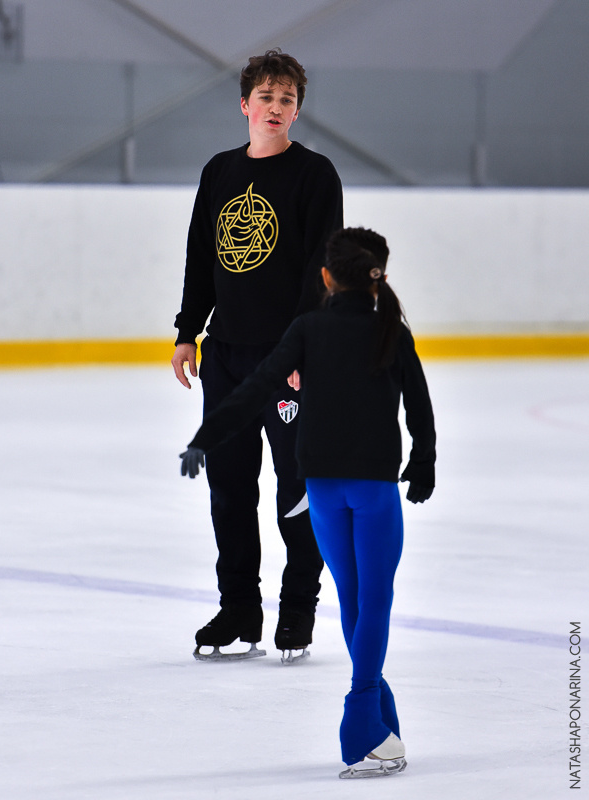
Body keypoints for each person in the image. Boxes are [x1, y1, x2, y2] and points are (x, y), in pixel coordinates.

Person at [179, 227, 436, 778]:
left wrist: (207, 435)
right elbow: (419, 405)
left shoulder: (307, 329)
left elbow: (253, 391)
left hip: (319, 486)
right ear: (379, 276)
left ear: (325, 277)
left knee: (353, 598)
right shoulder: (392, 330)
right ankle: (364, 717)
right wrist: (424, 461)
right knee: (376, 600)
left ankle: (382, 722)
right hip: (371, 487)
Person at [171, 49, 344, 661]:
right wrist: (188, 330)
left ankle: (297, 608)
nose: (276, 107)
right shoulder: (219, 172)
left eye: (288, 99)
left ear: (297, 110)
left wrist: (302, 343)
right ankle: (239, 606)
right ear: (245, 104)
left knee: (295, 489)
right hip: (226, 358)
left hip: (286, 358)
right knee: (230, 487)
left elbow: (321, 268)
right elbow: (203, 256)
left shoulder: (315, 175)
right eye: (266, 97)